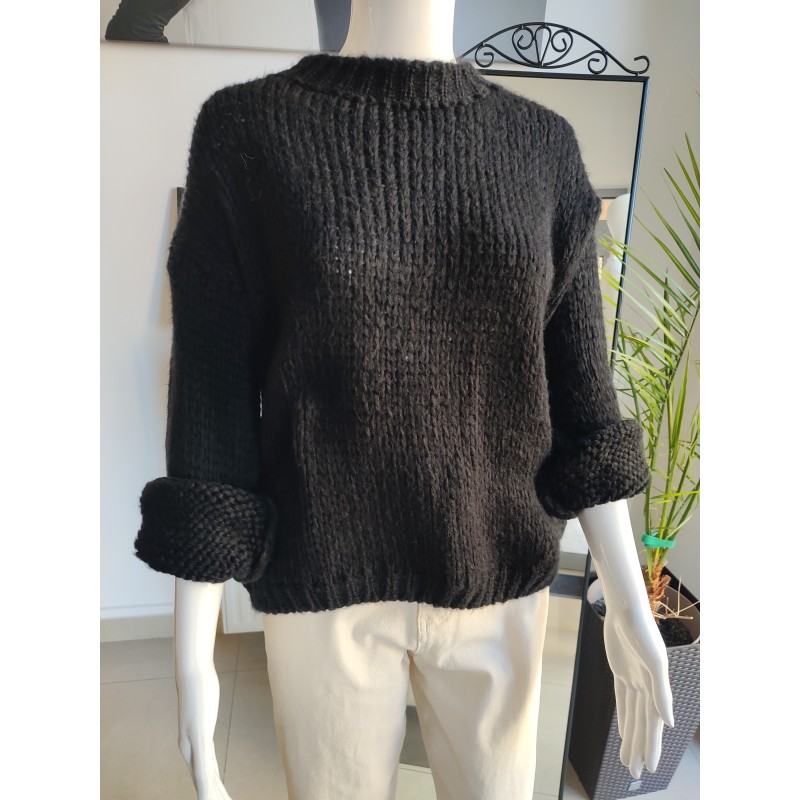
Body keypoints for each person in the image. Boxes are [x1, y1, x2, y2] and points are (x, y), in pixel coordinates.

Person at [135, 2, 674, 798]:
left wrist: (629, 603)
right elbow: (212, 396)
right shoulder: (248, 134)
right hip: (324, 591)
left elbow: (584, 404)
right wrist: (193, 653)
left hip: (496, 580)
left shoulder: (542, 148)